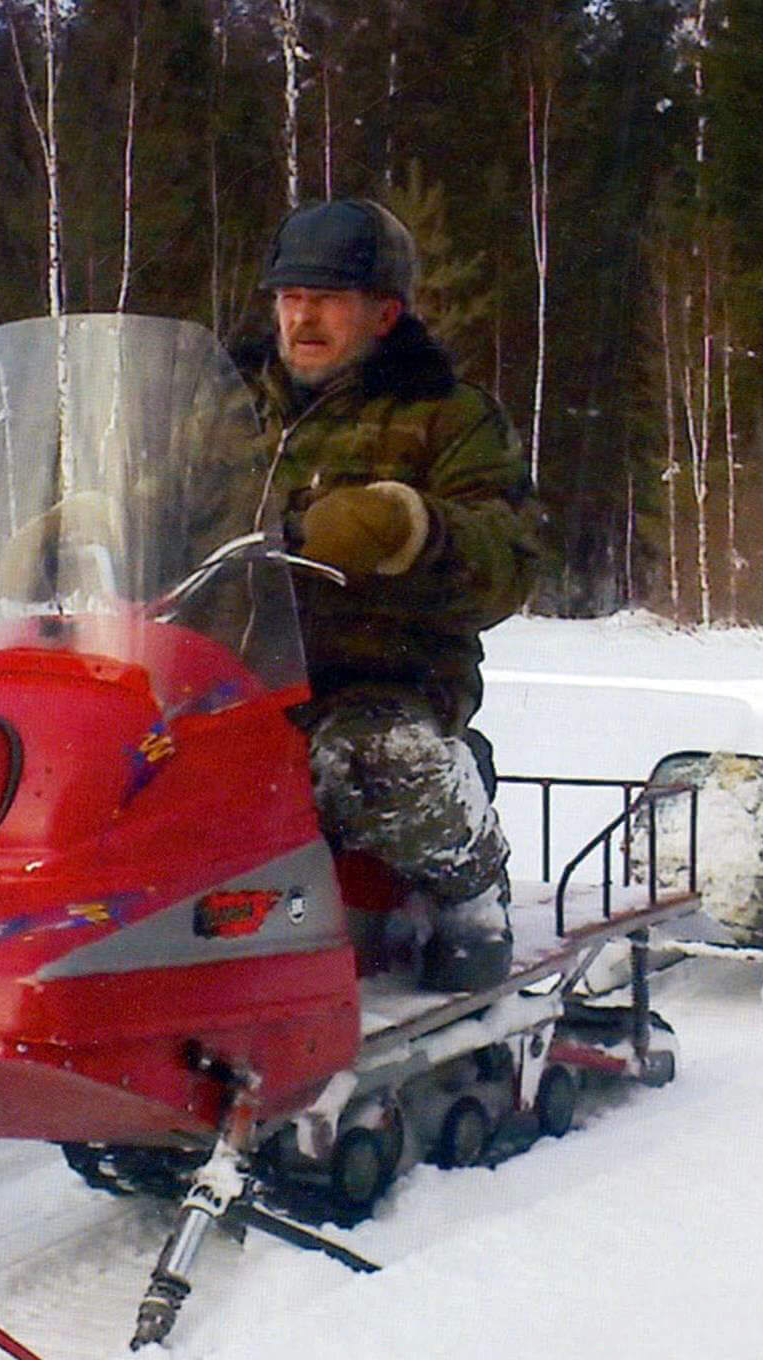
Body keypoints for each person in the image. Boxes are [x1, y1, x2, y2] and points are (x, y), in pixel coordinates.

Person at [235, 198, 541, 991]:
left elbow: (509, 558)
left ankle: (469, 884)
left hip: (378, 675)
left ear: (383, 313)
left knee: (367, 758)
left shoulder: (448, 414)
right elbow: (155, 506)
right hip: (227, 671)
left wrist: (409, 526)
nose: (302, 318)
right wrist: (88, 520)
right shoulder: (224, 411)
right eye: (290, 297)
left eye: (328, 299)